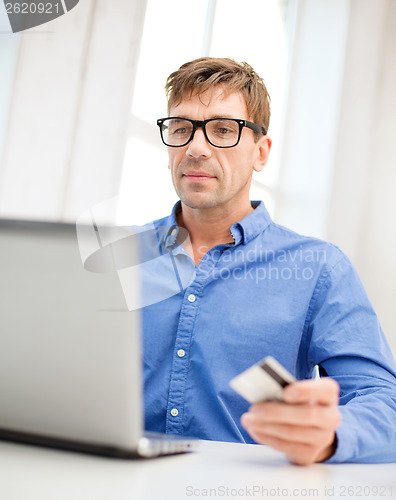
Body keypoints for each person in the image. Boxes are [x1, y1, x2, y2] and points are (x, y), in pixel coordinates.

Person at [142, 57, 396, 465]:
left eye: (223, 130)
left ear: (261, 153)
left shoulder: (319, 269)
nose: (196, 148)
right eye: (181, 128)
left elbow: (384, 403)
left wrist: (329, 435)